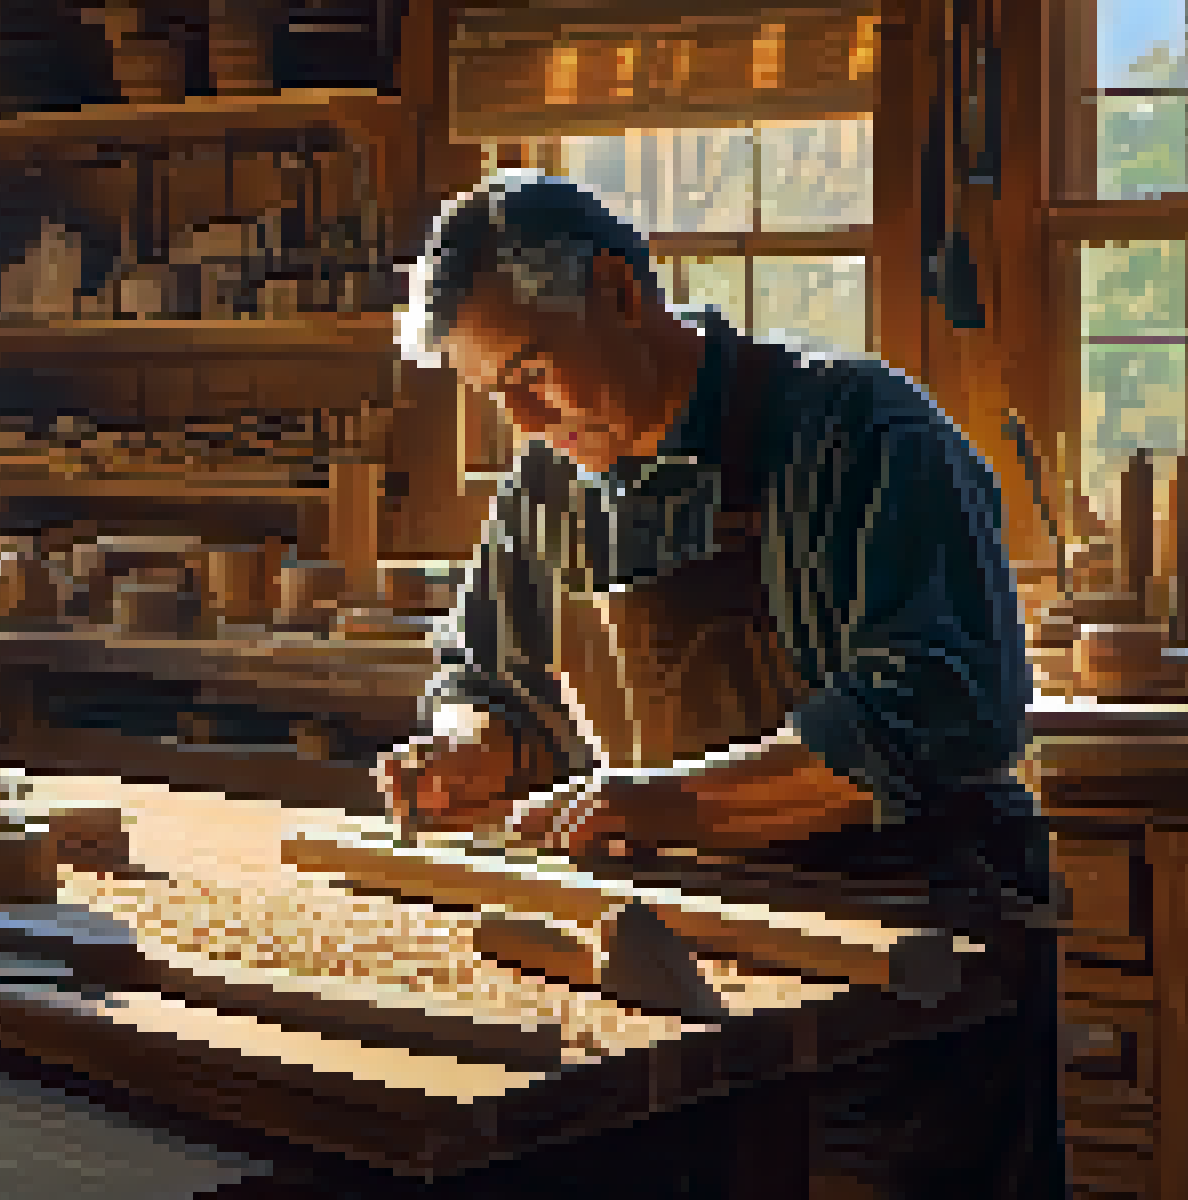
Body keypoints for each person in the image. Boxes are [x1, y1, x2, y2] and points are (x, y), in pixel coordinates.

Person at [376, 170, 1063, 1200]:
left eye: (531, 372)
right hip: (695, 962)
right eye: (493, 395)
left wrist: (662, 803)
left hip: (907, 969)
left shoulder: (859, 433)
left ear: (618, 291)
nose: (522, 419)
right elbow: (492, 676)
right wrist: (473, 745)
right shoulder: (552, 485)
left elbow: (931, 711)